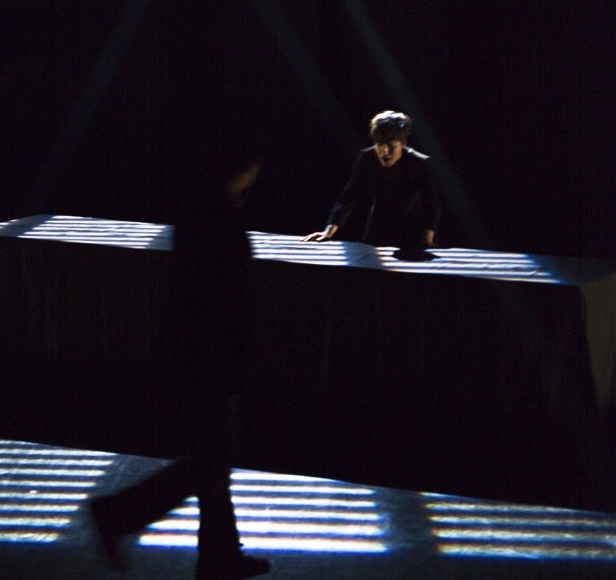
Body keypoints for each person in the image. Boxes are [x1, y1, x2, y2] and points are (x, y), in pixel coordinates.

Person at [88, 125, 269, 580]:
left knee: (214, 459)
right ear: (243, 166)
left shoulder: (207, 207)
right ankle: (119, 514)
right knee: (212, 460)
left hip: (200, 350)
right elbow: (218, 295)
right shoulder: (215, 212)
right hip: (210, 353)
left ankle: (219, 556)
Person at [303, 110, 440, 257]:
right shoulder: (367, 158)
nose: (385, 152)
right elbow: (348, 196)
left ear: (402, 144)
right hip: (378, 231)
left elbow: (430, 204)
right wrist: (328, 231)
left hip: (413, 233)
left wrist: (427, 239)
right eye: (380, 145)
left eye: (391, 145)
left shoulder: (419, 163)